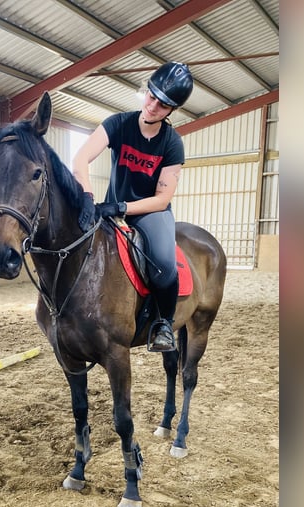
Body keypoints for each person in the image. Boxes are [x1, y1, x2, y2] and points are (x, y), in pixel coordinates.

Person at [72, 61, 193, 352]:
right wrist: (87, 195)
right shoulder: (118, 124)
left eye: (163, 105)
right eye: (151, 97)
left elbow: (162, 198)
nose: (153, 106)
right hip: (110, 208)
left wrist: (122, 207)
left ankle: (164, 323)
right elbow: (80, 159)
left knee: (163, 265)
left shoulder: (172, 143)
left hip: (151, 213)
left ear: (172, 111)